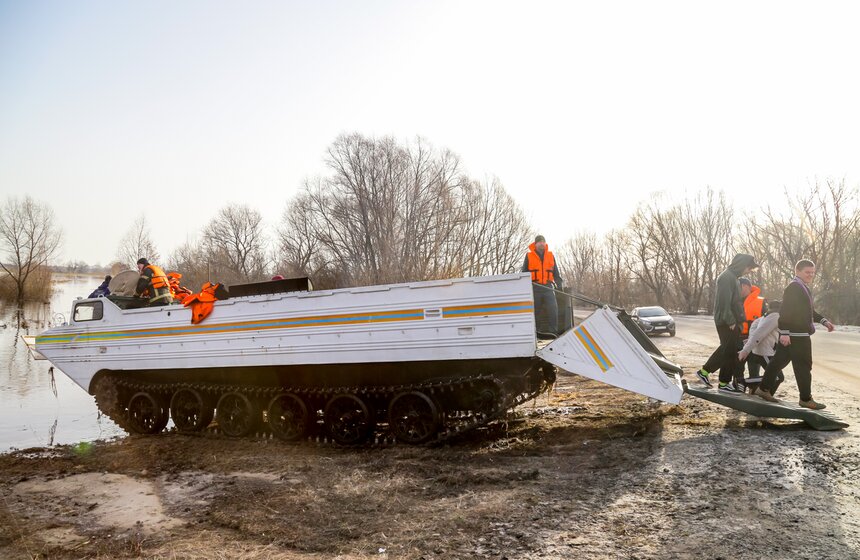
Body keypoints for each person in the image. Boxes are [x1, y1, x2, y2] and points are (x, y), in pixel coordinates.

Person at [756, 260, 835, 409]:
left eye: (812, 272)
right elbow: (785, 311)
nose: (810, 275)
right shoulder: (794, 287)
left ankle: (763, 389)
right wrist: (785, 332)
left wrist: (823, 321)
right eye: (807, 272)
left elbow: (808, 311)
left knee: (777, 362)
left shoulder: (802, 287)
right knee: (804, 366)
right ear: (797, 271)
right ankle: (805, 399)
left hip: (794, 335)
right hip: (797, 335)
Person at [694, 253, 759, 393]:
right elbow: (724, 302)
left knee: (727, 350)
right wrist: (730, 320)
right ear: (742, 265)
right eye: (749, 268)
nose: (748, 271)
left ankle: (706, 373)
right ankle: (722, 383)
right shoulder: (726, 277)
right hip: (727, 321)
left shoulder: (733, 277)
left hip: (731, 321)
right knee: (729, 352)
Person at [521, 235, 563, 338]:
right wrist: (524, 288)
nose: (542, 243)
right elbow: (524, 273)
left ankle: (553, 333)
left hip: (548, 287)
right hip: (535, 287)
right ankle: (537, 333)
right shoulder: (529, 256)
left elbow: (556, 272)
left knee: (553, 309)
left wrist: (559, 285)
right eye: (539, 242)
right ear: (535, 244)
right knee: (536, 312)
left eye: (543, 242)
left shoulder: (550, 255)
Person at [738, 300, 782, 395]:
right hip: (764, 351)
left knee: (776, 376)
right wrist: (746, 350)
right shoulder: (775, 317)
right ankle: (744, 382)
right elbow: (759, 333)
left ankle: (764, 395)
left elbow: (754, 327)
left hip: (763, 350)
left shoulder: (766, 316)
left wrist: (749, 343)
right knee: (777, 377)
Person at [738, 277, 768, 379]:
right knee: (737, 370)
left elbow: (766, 322)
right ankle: (738, 386)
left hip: (754, 340)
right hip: (737, 338)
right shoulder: (734, 300)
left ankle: (753, 387)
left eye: (738, 287)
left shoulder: (761, 301)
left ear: (745, 286)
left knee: (754, 370)